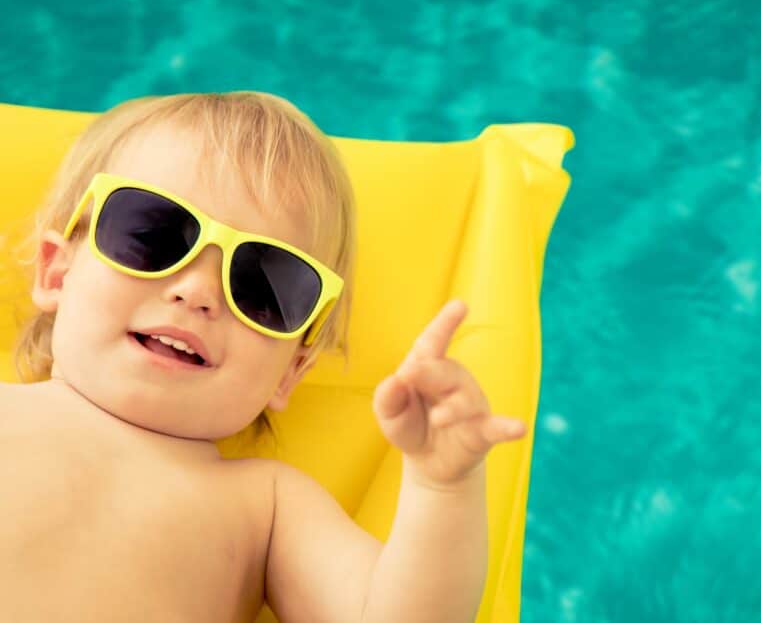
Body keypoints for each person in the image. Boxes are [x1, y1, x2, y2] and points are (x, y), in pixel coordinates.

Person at [0, 91, 528, 622]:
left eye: (262, 286)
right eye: (154, 238)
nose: (198, 291)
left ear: (291, 372)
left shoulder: (267, 508)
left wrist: (442, 485)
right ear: (57, 273)